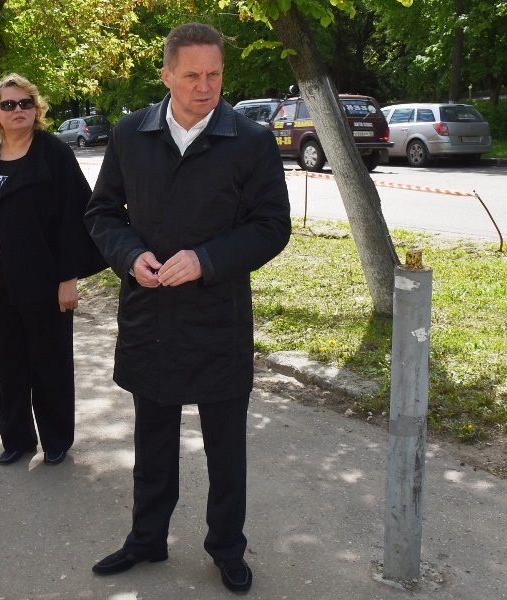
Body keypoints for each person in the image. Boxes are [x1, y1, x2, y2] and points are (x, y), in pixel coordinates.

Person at [85, 23, 291, 593]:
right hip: (149, 315)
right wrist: (130, 256)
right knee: (152, 444)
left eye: (215, 75)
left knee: (225, 449)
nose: (205, 87)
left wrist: (206, 259)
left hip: (218, 316)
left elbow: (272, 226)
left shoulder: (249, 140)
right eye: (193, 75)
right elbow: (102, 213)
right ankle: (146, 539)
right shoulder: (130, 133)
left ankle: (226, 547)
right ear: (167, 75)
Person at [0, 73, 106, 467]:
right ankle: (18, 439)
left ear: (37, 110)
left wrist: (69, 279)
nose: (18, 110)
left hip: (42, 282)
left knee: (49, 363)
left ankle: (56, 439)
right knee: (7, 364)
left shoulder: (53, 154)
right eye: (9, 104)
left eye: (26, 103)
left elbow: (75, 218)